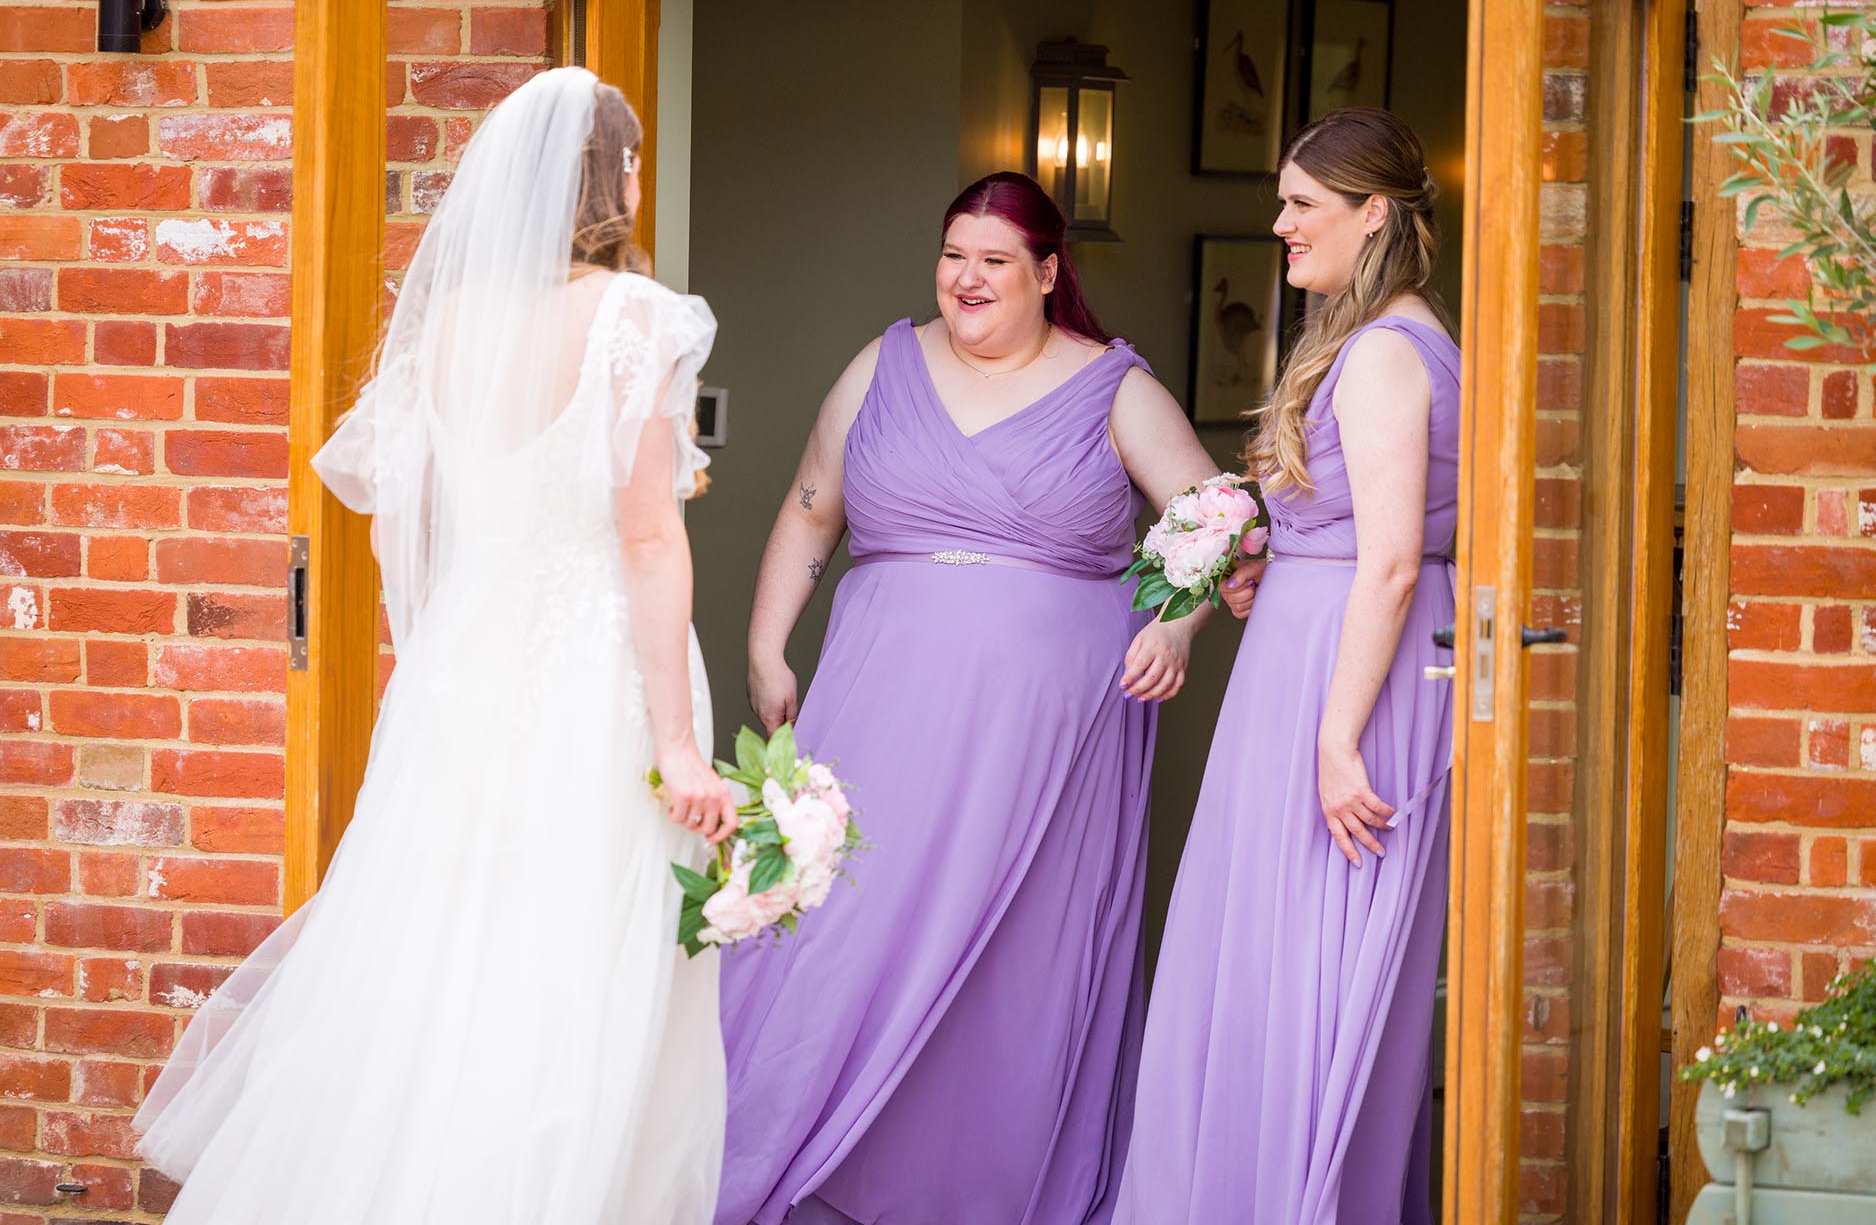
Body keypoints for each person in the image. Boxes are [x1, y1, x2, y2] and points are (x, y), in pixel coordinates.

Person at [132, 68, 736, 1224]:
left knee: (441, 962)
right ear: (613, 178)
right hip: (596, 676)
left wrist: (448, 637)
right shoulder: (634, 316)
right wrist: (676, 743)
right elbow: (649, 536)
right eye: (633, 163)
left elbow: (401, 512)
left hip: (466, 669)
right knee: (574, 965)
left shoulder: (450, 320)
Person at [718, 171, 1224, 1225]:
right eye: (954, 255)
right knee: (842, 925)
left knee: (1015, 956)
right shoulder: (881, 366)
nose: (968, 278)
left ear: (1047, 272)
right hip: (879, 706)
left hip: (1051, 735)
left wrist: (1174, 625)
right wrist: (767, 648)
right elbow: (811, 510)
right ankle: (798, 1170)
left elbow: (1212, 521)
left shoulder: (1114, 386)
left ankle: (977, 1192)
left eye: (995, 260)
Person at [1115, 107, 1461, 1224]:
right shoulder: (1376, 343)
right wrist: (1268, 550)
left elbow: (1392, 562)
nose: (1281, 224)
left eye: (1302, 203)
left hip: (1347, 685)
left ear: (1374, 213)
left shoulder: (1388, 355)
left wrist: (1337, 736)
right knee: (1270, 951)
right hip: (1310, 662)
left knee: (1312, 962)